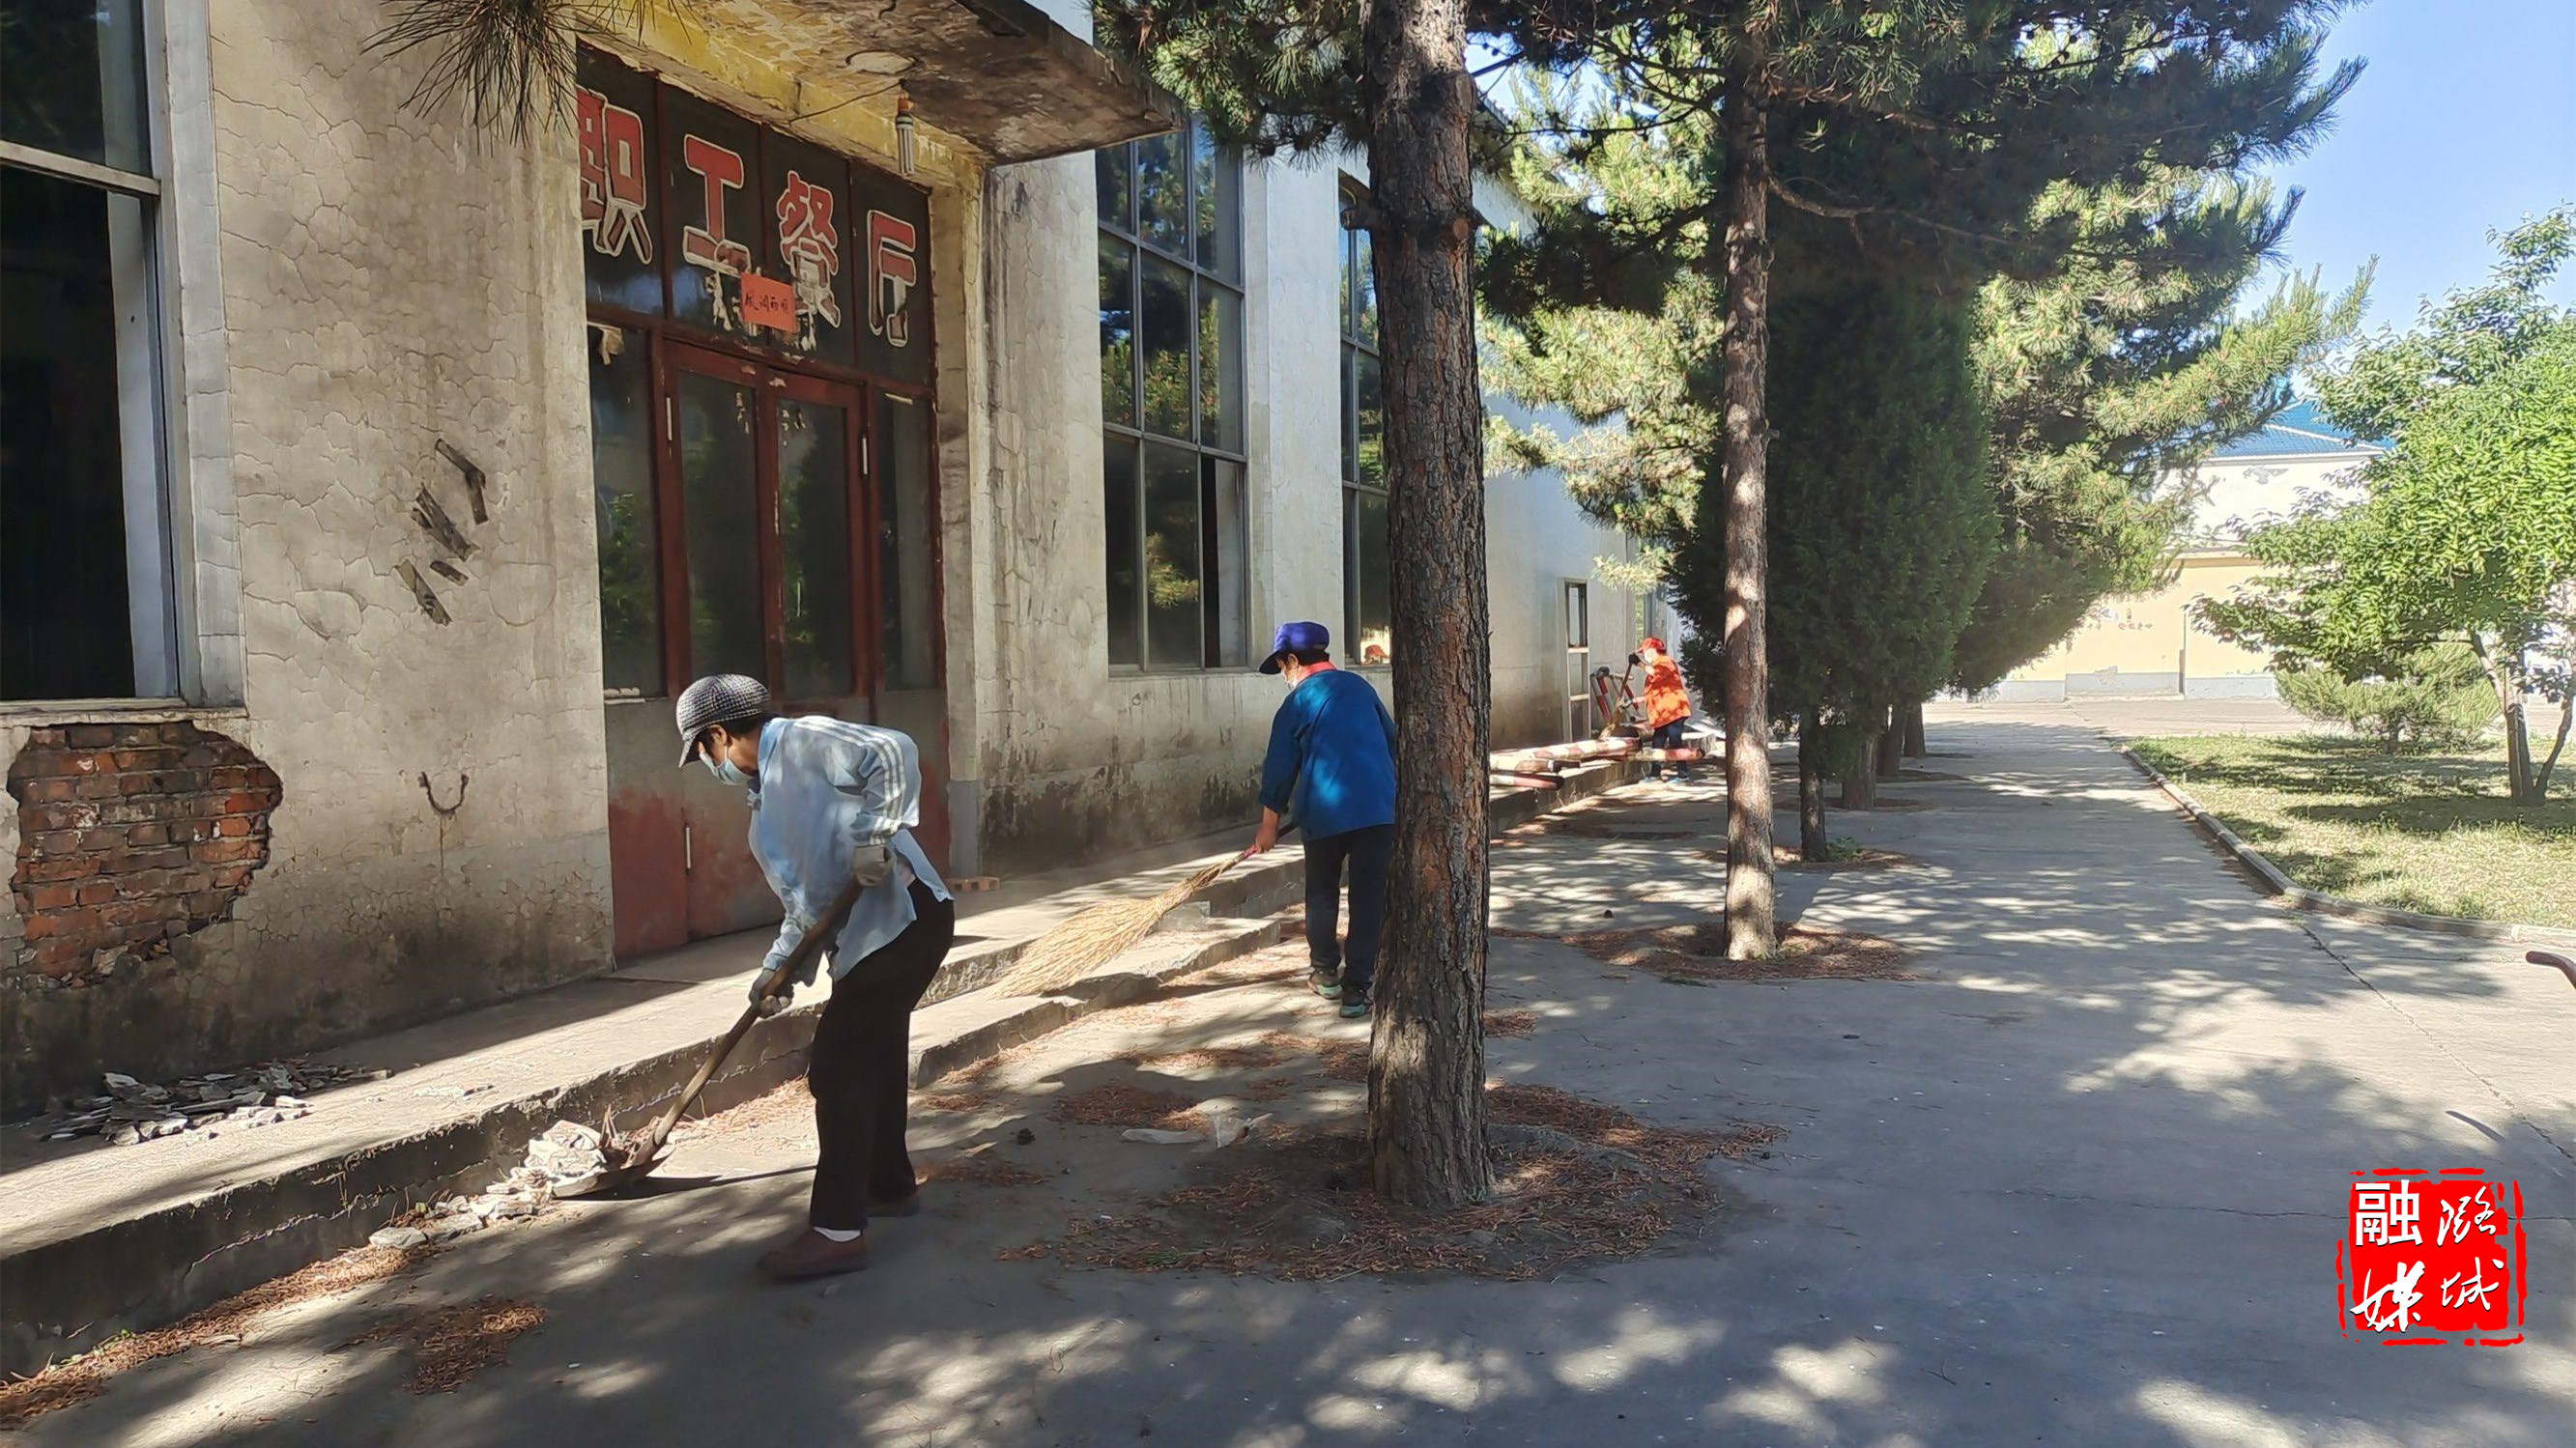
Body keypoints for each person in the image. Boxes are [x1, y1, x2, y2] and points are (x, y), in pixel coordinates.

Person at [674, 673, 956, 1282]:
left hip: (905, 920)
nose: (710, 766)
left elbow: (893, 750)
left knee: (839, 1065)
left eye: (702, 752)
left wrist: (875, 836)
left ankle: (837, 1230)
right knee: (875, 1054)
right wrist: (780, 969)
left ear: (718, 734)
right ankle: (889, 1185)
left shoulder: (802, 742)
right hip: (872, 937)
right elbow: (807, 908)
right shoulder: (766, 813)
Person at [1247, 621, 1396, 1020]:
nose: (1284, 675)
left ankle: (1326, 973)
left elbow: (1280, 767)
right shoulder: (1362, 688)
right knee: (1368, 898)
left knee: (1322, 893)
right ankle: (1357, 990)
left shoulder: (1297, 702)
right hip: (1378, 812)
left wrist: (1268, 825)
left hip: (1324, 813)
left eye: (1283, 667)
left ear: (1292, 660)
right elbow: (1392, 742)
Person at [1637, 636, 1696, 782]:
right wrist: (1637, 700)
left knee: (1675, 741)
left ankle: (1683, 774)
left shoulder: (1665, 662)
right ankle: (1655, 774)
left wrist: (1639, 664)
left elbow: (1655, 673)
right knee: (1658, 742)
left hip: (1674, 711)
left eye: (1644, 652)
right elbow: (1656, 690)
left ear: (1652, 650)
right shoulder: (1657, 664)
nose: (1644, 655)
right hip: (1664, 714)